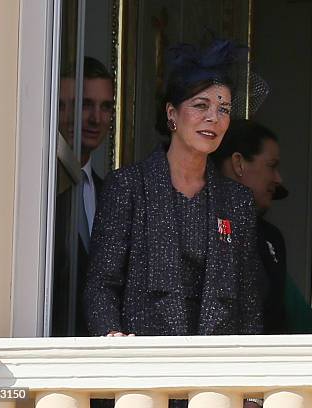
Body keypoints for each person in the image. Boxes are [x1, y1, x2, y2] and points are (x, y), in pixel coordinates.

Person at [83, 38, 263, 339]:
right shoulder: (128, 186)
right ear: (171, 114)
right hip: (144, 364)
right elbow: (102, 282)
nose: (213, 118)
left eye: (224, 109)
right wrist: (111, 337)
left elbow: (249, 302)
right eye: (201, 105)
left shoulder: (236, 200)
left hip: (217, 371)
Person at [53, 57, 114, 336]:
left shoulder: (112, 193)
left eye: (105, 107)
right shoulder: (39, 188)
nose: (96, 119)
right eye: (85, 105)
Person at [211, 118, 289, 334]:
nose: (278, 178)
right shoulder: (201, 223)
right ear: (238, 164)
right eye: (271, 166)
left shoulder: (271, 237)